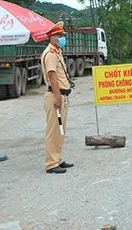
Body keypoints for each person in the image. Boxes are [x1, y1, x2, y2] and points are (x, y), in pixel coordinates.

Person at [41, 21, 74, 174]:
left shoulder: (57, 52)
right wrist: (58, 97)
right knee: (54, 130)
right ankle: (51, 163)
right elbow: (52, 76)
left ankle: (58, 158)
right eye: (60, 36)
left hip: (62, 95)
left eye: (62, 36)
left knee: (61, 130)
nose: (62, 38)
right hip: (56, 96)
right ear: (52, 37)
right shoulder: (50, 54)